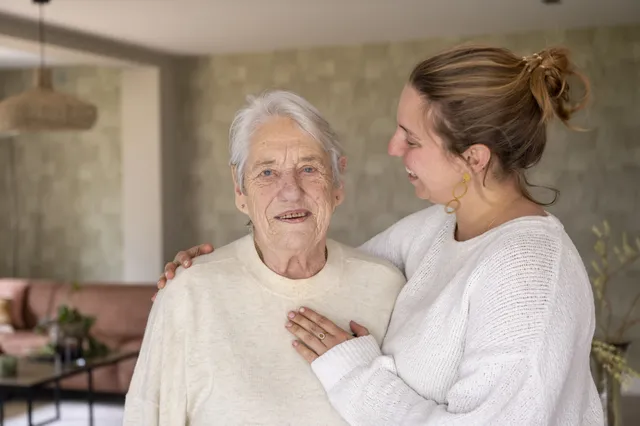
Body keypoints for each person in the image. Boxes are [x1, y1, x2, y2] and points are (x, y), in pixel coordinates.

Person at [158, 45, 604, 425]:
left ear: (474, 158)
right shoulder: (437, 228)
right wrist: (211, 274)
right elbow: (316, 272)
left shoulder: (529, 275)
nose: (393, 148)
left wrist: (353, 374)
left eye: (411, 140)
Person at [123, 90, 406, 425]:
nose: (291, 191)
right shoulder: (190, 293)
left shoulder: (387, 286)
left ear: (338, 183)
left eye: (309, 168)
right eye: (268, 173)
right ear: (240, 189)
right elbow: (147, 417)